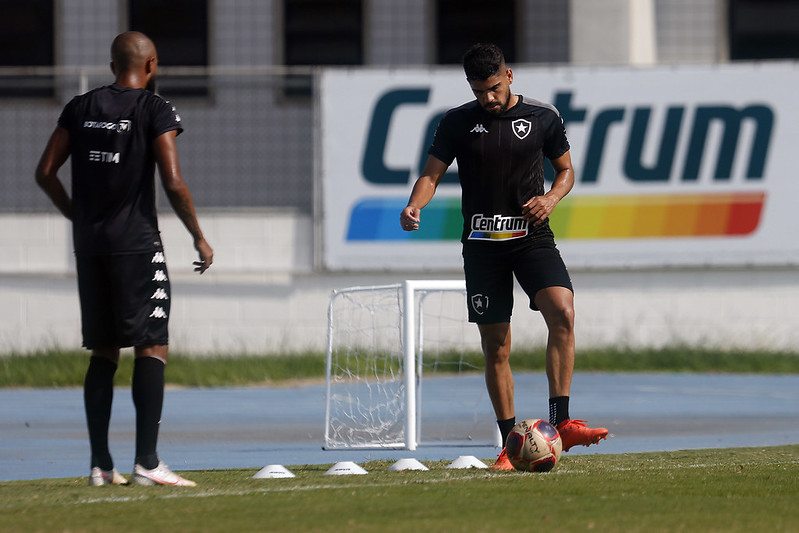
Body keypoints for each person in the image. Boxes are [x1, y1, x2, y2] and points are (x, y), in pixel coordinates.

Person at [400, 43, 608, 470]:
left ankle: (562, 421)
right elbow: (430, 174)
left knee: (563, 311)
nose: (488, 99)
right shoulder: (456, 122)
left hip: (532, 237)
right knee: (497, 346)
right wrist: (414, 204)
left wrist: (551, 197)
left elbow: (566, 170)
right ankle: (508, 445)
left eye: (493, 89)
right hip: (481, 248)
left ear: (509, 76)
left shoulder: (542, 117)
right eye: (479, 92)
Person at [35, 31, 213, 486]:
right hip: (136, 244)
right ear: (151, 64)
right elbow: (173, 182)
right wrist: (198, 237)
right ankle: (148, 463)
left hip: (91, 246)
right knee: (151, 344)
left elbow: (45, 172)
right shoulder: (154, 108)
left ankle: (100, 465)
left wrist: (76, 215)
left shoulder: (80, 107)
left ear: (113, 64)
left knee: (104, 350)